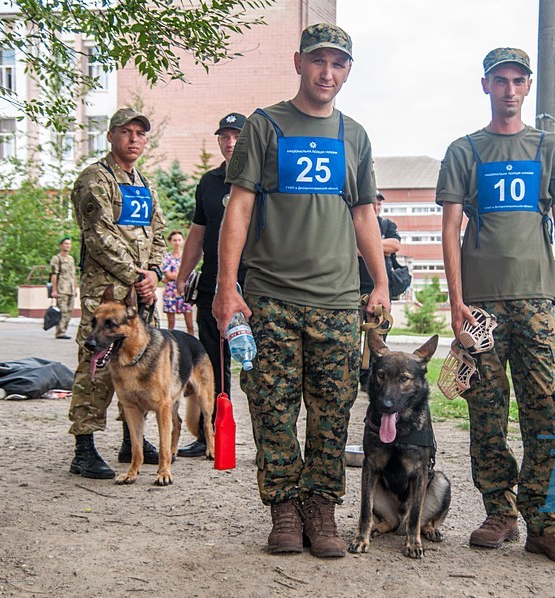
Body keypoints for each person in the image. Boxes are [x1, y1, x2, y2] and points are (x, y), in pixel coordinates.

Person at [212, 23, 388, 558]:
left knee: (333, 411)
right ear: (298, 62)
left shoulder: (353, 135)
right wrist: (226, 286)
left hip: (337, 302)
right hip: (270, 297)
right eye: (318, 61)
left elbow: (363, 214)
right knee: (272, 408)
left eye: (338, 64)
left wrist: (379, 281)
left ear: (348, 71)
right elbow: (238, 207)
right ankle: (284, 510)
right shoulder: (266, 126)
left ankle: (322, 509)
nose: (327, 72)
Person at [437, 47, 555, 563]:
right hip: (481, 304)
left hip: (538, 302)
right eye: (499, 80)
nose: (509, 89)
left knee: (547, 408)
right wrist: (456, 303)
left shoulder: (549, 147)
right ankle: (499, 511)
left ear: (527, 87)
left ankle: (546, 523)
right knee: (487, 411)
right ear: (485, 86)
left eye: (518, 80)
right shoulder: (465, 150)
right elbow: (450, 228)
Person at [67, 108, 167, 480]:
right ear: (110, 136)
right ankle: (84, 449)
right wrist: (136, 275)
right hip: (106, 294)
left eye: (141, 133)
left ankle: (132, 441)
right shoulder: (95, 179)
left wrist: (153, 274)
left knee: (138, 364)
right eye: (127, 132)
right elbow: (99, 236)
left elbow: (159, 232)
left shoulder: (144, 184)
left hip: (140, 298)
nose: (134, 139)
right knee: (94, 366)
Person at [177, 111, 247, 458]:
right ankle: (213, 439)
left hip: (256, 287)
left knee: (262, 367)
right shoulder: (208, 182)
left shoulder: (265, 178)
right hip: (212, 288)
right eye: (224, 136)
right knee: (214, 366)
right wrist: (181, 276)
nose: (230, 142)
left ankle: (271, 445)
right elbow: (197, 233)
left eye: (236, 135)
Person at [357, 189, 401, 391]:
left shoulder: (387, 225)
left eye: (379, 204)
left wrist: (368, 244)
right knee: (352, 337)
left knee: (377, 338)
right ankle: (356, 375)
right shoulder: (355, 222)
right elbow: (352, 247)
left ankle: (373, 379)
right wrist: (377, 246)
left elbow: (394, 245)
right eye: (373, 203)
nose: (376, 207)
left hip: (380, 290)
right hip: (355, 288)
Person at [161, 230, 195, 335]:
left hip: (184, 290)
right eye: (174, 240)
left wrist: (174, 275)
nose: (177, 242)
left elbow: (190, 273)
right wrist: (181, 274)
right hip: (170, 291)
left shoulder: (188, 256)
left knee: (190, 324)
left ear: (183, 241)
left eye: (179, 240)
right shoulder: (167, 257)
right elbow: (168, 275)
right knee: (171, 324)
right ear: (170, 241)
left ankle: (192, 344)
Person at [49, 237, 78, 340]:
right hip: (61, 289)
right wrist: (54, 290)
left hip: (70, 289)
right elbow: (54, 275)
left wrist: (75, 288)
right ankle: (60, 332)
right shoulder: (57, 258)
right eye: (65, 244)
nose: (68, 246)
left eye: (69, 244)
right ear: (61, 245)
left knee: (70, 311)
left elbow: (73, 274)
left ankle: (64, 330)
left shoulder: (71, 259)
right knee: (62, 311)